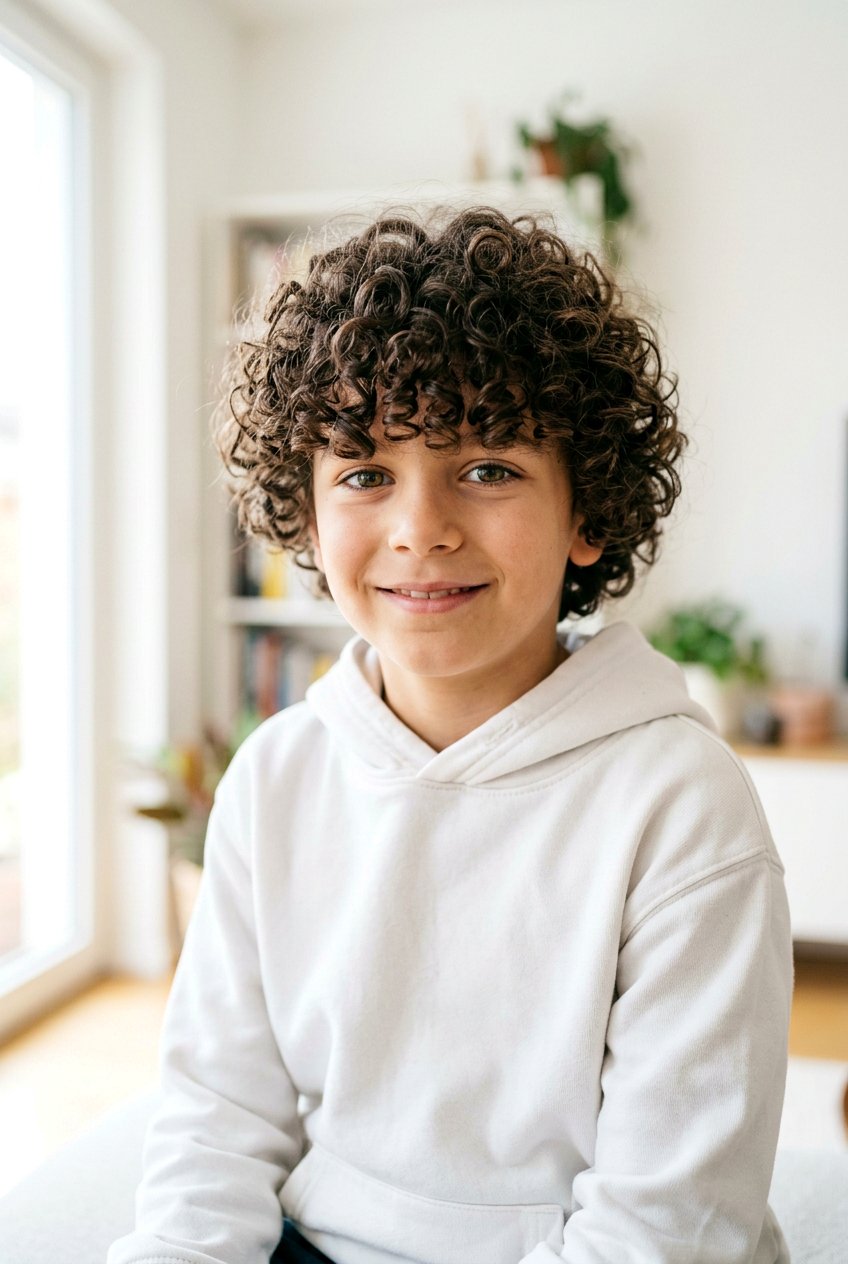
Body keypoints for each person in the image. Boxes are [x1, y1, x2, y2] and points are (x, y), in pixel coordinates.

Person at [108, 207, 792, 1264]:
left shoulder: (680, 802)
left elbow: (669, 1220)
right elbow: (215, 1122)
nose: (419, 527)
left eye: (486, 467)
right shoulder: (275, 779)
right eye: (363, 472)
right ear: (306, 511)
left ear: (586, 513)